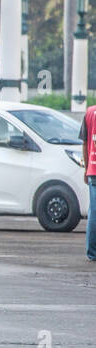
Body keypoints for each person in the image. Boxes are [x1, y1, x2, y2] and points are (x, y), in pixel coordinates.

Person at [80, 101, 96, 261]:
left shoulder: (89, 113)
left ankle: (92, 252)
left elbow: (84, 144)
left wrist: (86, 169)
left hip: (93, 169)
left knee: (94, 212)